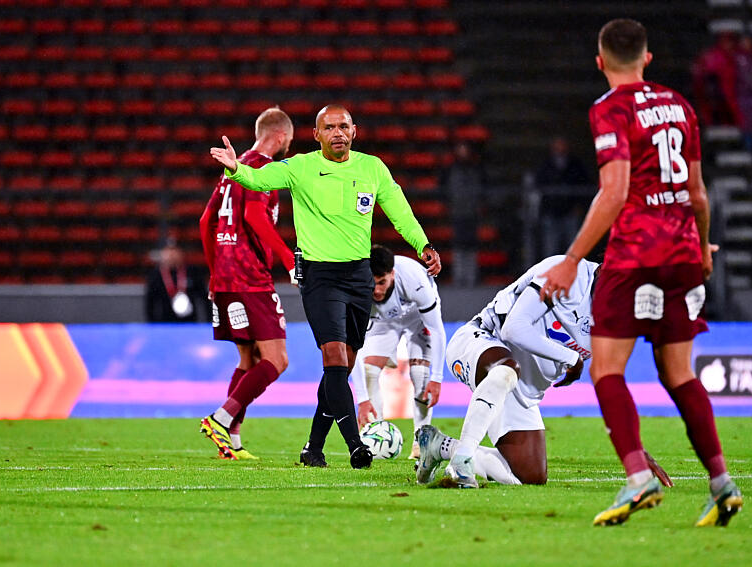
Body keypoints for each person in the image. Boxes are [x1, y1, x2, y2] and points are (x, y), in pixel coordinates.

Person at [539, 19, 742, 527]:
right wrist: (702, 247)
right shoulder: (680, 106)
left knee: (607, 369)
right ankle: (722, 484)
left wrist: (571, 259)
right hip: (682, 254)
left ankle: (637, 478)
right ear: (647, 58)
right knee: (679, 374)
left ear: (600, 62)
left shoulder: (610, 108)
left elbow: (614, 192)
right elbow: (697, 193)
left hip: (635, 256)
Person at [210, 104, 441, 469]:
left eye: (343, 126)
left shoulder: (372, 168)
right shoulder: (301, 167)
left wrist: (423, 245)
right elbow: (261, 180)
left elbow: (401, 213)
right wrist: (236, 168)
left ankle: (313, 447)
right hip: (319, 277)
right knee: (333, 356)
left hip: (359, 277)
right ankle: (356, 446)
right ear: (316, 135)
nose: (337, 133)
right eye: (329, 127)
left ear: (354, 131)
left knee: (342, 367)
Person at [416, 255, 595, 487]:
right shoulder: (569, 273)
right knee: (506, 370)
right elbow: (514, 328)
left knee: (530, 476)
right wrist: (571, 358)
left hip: (522, 391)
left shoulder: (623, 314)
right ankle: (462, 461)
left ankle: (439, 446)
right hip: (480, 341)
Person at [198, 107, 296, 460]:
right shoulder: (262, 168)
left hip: (225, 276)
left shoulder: (233, 168)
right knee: (277, 359)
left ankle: (232, 441)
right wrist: (288, 259)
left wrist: (214, 272)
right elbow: (255, 215)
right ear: (281, 136)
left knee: (249, 358)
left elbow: (206, 220)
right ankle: (220, 419)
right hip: (250, 276)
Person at [350, 244, 446, 459]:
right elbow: (352, 348)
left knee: (421, 376)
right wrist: (362, 399)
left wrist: (437, 378)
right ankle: (373, 437)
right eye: (372, 283)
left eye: (382, 282)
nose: (376, 290)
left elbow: (437, 331)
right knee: (368, 371)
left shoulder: (415, 280)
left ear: (392, 274)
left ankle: (421, 442)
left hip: (417, 320)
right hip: (384, 323)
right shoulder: (356, 288)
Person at [534, 136, 591, 257]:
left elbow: (584, 184)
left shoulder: (575, 165)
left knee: (574, 249)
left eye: (562, 145)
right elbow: (538, 185)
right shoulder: (546, 165)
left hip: (570, 212)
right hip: (551, 212)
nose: (560, 148)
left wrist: (580, 205)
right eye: (557, 145)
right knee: (550, 249)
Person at [439, 142, 486, 287]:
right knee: (458, 245)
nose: (463, 153)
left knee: (471, 245)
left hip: (472, 213)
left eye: (465, 150)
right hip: (457, 213)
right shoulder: (450, 170)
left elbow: (483, 190)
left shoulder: (477, 169)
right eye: (460, 150)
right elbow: (442, 189)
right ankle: (459, 277)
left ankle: (471, 278)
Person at [145, 239, 208, 323]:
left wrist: (209, 320)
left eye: (175, 251)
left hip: (189, 322)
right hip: (165, 322)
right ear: (162, 254)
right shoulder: (156, 275)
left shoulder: (192, 272)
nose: (172, 255)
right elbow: (150, 302)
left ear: (181, 253)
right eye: (168, 251)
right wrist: (151, 324)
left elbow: (204, 297)